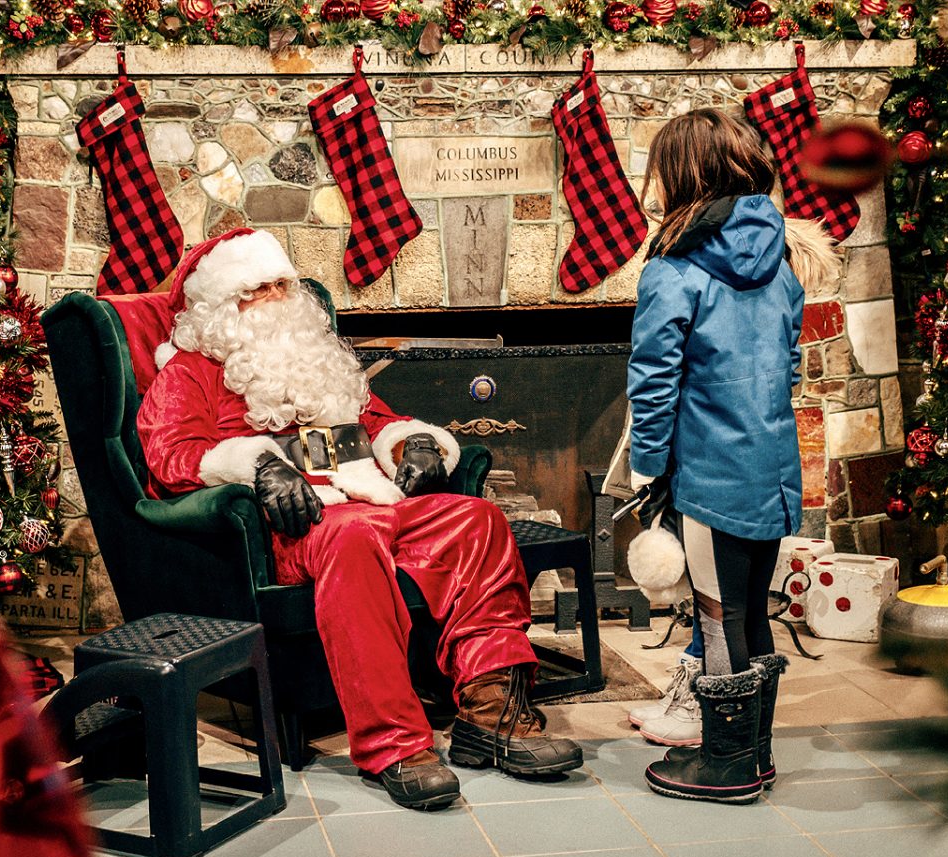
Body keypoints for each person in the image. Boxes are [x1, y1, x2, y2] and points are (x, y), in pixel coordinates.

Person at [136, 227, 582, 811]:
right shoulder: (190, 373)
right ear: (221, 307)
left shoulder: (317, 361)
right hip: (293, 529)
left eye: (281, 284)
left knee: (476, 520)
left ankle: (490, 711)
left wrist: (414, 443)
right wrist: (257, 467)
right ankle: (394, 743)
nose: (277, 299)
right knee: (351, 537)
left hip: (374, 502)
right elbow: (169, 456)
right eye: (258, 289)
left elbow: (376, 420)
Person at [627, 109, 839, 804]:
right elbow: (787, 368)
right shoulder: (781, 263)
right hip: (775, 474)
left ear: (687, 174)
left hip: (713, 479)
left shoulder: (672, 271)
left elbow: (653, 378)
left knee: (717, 618)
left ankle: (726, 765)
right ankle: (757, 754)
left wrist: (648, 465)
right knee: (753, 614)